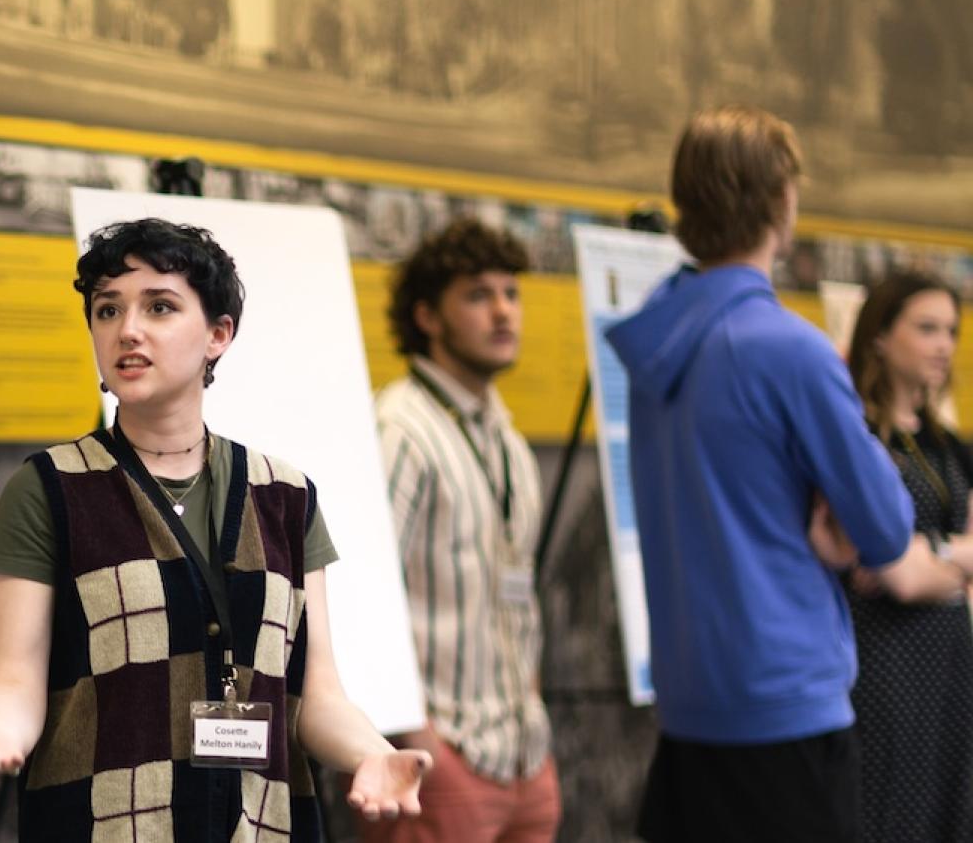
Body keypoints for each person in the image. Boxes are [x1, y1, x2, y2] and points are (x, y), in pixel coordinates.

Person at [0, 219, 432, 841]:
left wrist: (373, 753)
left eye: (159, 307)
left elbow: (317, 698)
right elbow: (15, 682)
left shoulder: (285, 495)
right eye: (108, 310)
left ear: (217, 334)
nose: (127, 329)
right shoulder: (50, 489)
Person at [606, 105, 924, 843]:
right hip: (784, 713)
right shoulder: (790, 349)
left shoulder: (656, 345)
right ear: (783, 202)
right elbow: (886, 529)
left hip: (688, 710)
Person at [371, 218, 556, 842]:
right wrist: (417, 739)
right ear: (427, 316)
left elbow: (520, 595)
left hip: (525, 756)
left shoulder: (506, 436)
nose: (503, 311)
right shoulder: (401, 428)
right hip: (440, 760)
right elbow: (363, 596)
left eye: (511, 293)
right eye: (478, 295)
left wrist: (534, 720)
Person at [839, 271, 973, 842]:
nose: (944, 345)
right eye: (926, 328)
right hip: (883, 658)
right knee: (889, 810)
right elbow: (899, 580)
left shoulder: (950, 446)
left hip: (950, 660)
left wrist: (929, 552)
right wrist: (946, 563)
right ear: (879, 336)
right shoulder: (857, 437)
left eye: (951, 330)